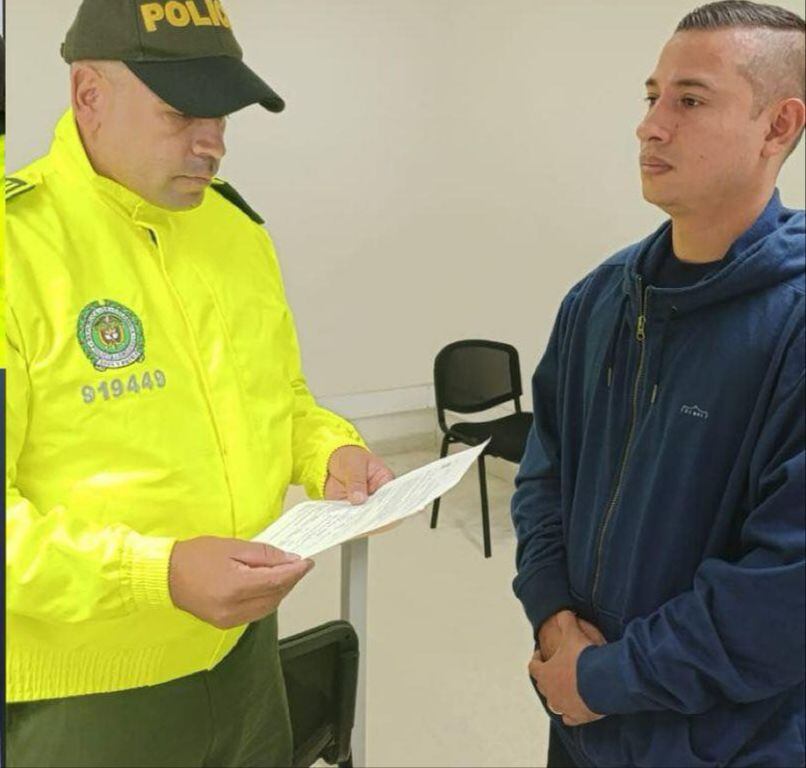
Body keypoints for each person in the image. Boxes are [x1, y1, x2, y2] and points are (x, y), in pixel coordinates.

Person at [4, 2, 393, 766]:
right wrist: (158, 575)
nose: (213, 142)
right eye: (182, 112)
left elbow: (280, 400)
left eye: (221, 114)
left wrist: (330, 452)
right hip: (89, 692)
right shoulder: (17, 249)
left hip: (243, 658)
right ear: (89, 95)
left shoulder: (234, 232)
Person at [511, 2, 805, 766]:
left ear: (778, 126)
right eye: (652, 97)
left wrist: (606, 677)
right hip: (578, 722)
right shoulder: (597, 300)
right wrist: (553, 618)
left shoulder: (792, 327)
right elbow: (543, 476)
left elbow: (784, 594)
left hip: (723, 747)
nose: (650, 126)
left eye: (691, 101)